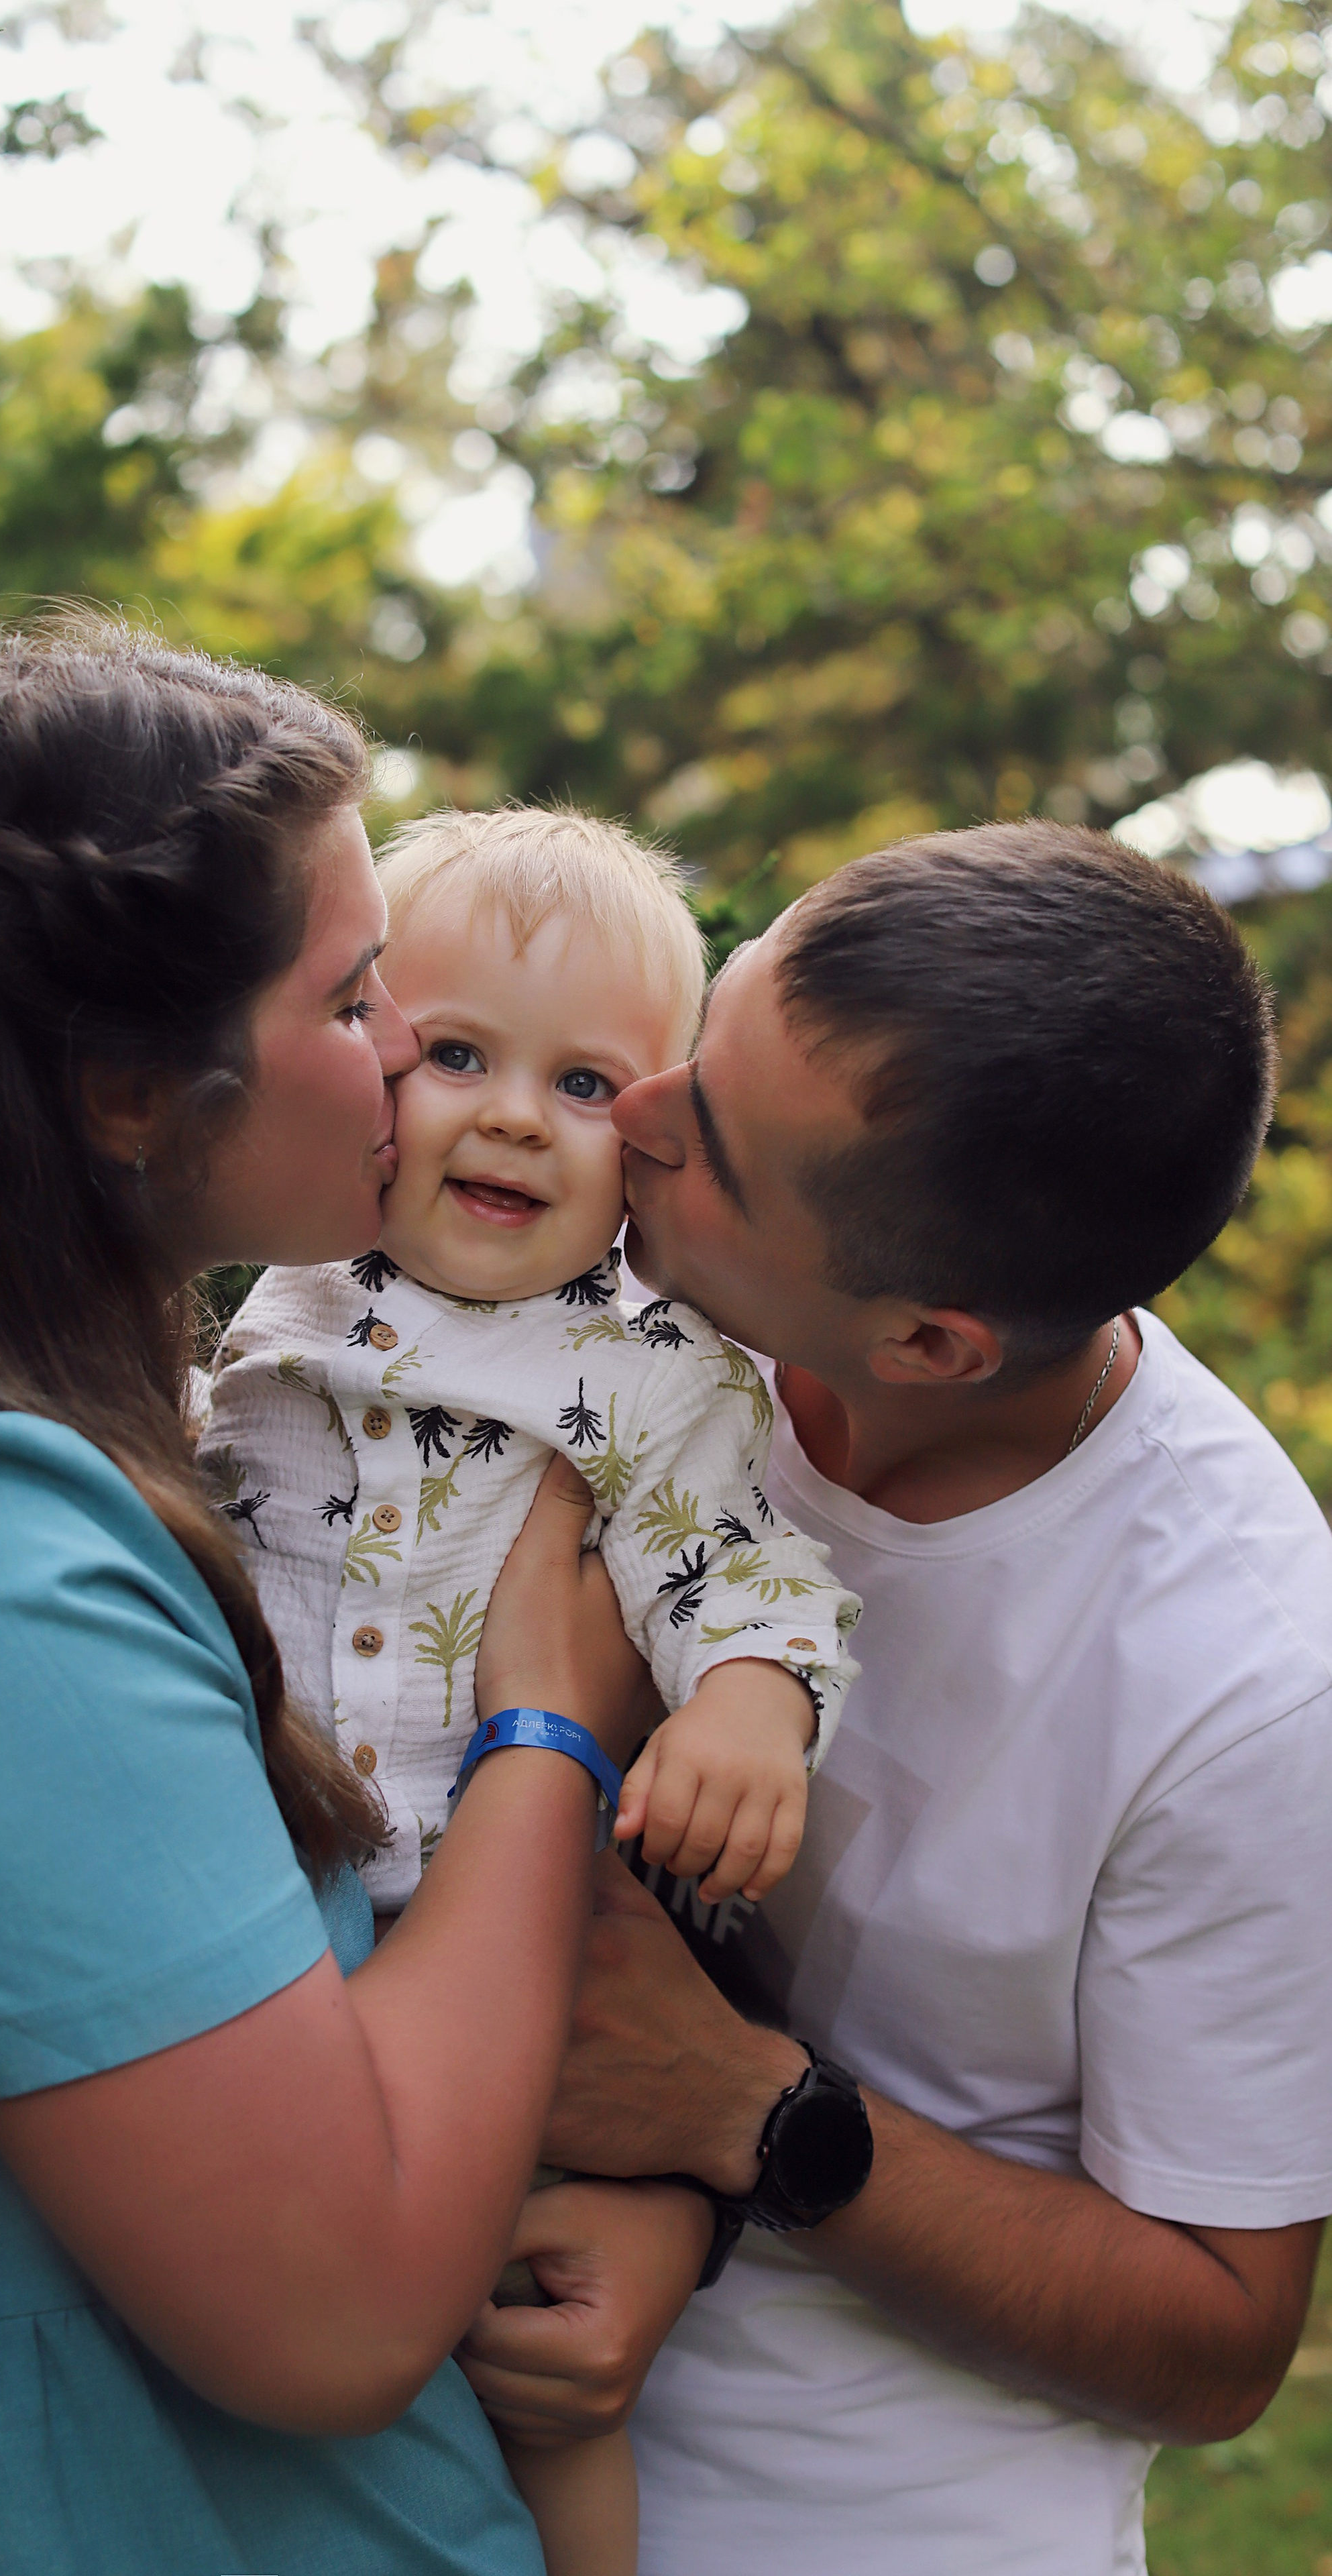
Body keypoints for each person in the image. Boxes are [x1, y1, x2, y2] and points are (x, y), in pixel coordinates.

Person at [0, 623, 704, 2576]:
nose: (406, 1051)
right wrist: (552, 1726)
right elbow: (341, 2305)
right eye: (360, 994)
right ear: (132, 1089)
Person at [456, 822, 1332, 2576]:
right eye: (699, 1044)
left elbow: (1222, 2337)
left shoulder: (1244, 1679)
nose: (631, 1117)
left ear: (933, 1342)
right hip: (430, 2435)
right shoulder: (630, 1309)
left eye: (706, 1147)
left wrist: (745, 2113)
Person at [201, 805, 862, 2576]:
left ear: (645, 1141)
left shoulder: (652, 1374)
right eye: (458, 1055)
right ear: (366, 1065)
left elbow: (746, 1571)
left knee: (544, 2375)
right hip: (281, 1919)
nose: (508, 1114)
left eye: (583, 1087)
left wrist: (745, 1705)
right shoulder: (285, 1301)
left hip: (520, 1961)